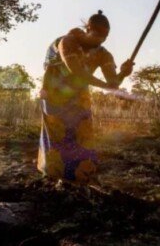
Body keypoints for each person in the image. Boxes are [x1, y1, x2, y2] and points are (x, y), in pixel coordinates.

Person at [38, 11, 134, 184]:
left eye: (105, 36)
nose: (101, 39)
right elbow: (76, 70)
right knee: (58, 136)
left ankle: (80, 178)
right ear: (88, 29)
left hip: (79, 96)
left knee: (82, 135)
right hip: (54, 93)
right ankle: (53, 178)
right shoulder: (67, 42)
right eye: (97, 34)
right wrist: (105, 85)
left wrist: (123, 73)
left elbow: (112, 83)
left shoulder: (104, 54)